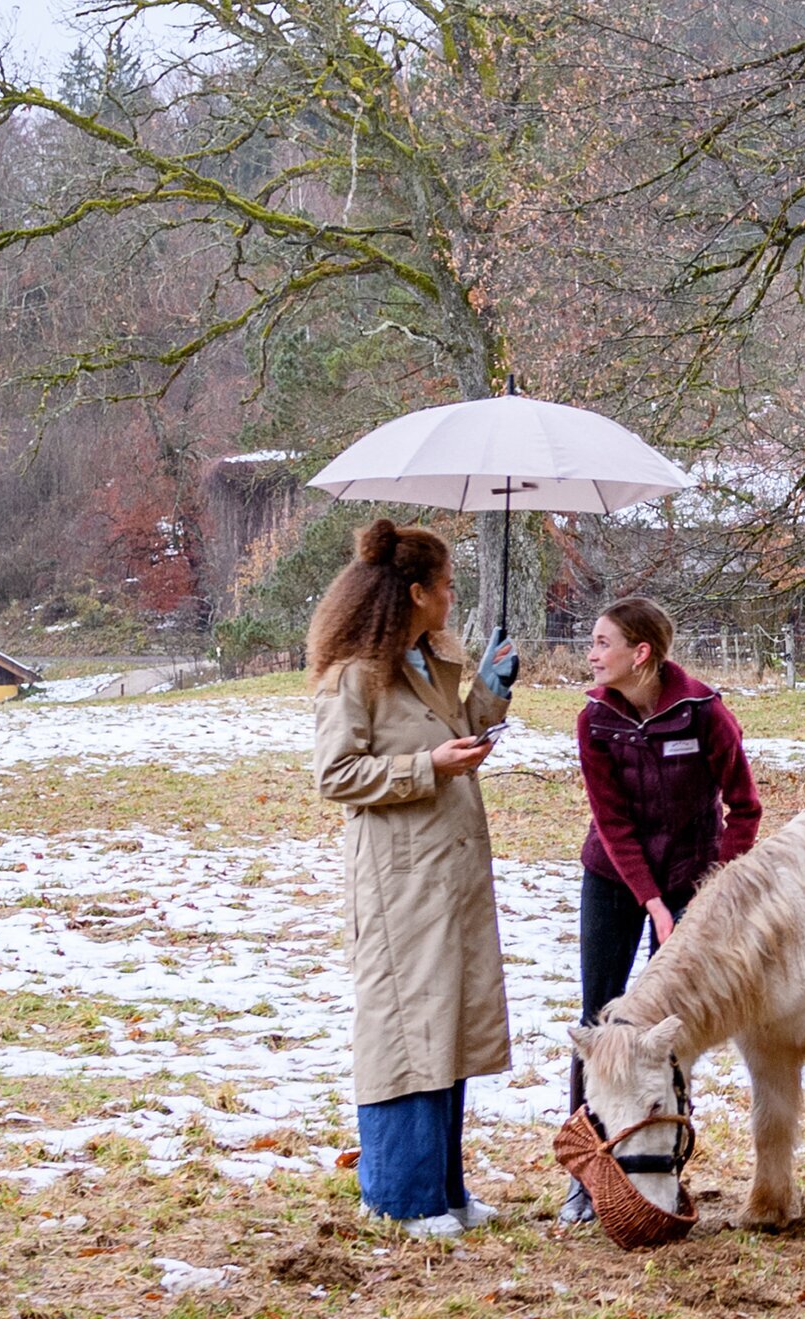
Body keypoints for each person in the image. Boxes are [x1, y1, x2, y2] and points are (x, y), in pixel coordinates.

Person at [309, 519, 519, 1238]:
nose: (454, 597)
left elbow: (454, 734)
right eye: (448, 586)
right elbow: (337, 775)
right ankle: (400, 1196)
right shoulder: (354, 677)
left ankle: (445, 1189)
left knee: (448, 1022)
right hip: (399, 881)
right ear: (416, 593)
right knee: (407, 1027)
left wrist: (489, 693)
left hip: (448, 870)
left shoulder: (428, 662)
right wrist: (426, 769)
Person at [562, 595, 762, 1222]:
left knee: (665, 1024)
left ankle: (661, 1165)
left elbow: (744, 806)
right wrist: (650, 901)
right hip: (614, 878)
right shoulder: (594, 721)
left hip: (691, 881)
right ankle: (587, 1172)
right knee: (599, 1022)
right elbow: (612, 821)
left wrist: (709, 893)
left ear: (639, 653)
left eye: (601, 643)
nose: (591, 655)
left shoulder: (704, 712)